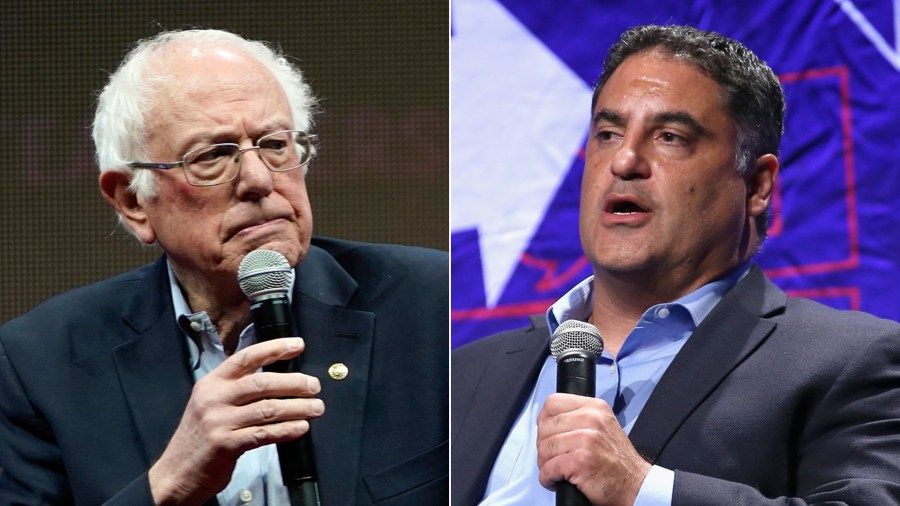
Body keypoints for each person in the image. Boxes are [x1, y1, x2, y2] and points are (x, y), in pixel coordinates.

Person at [451, 24, 900, 505]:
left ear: (757, 185)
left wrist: (640, 489)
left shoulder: (851, 360)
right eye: (608, 133)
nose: (624, 160)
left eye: (669, 136)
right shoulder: (463, 375)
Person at [0, 29, 447, 505]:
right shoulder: (37, 364)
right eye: (212, 156)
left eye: (275, 144)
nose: (258, 179)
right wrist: (169, 486)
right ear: (133, 201)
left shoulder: (432, 306)